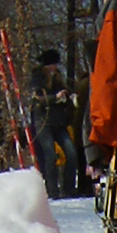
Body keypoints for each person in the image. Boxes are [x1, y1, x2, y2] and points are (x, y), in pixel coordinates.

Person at [29, 47, 78, 199]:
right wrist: (55, 98)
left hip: (59, 122)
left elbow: (65, 90)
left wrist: (69, 97)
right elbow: (37, 100)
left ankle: (68, 188)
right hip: (43, 122)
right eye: (53, 64)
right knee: (50, 155)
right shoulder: (37, 79)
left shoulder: (57, 78)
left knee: (71, 153)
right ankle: (52, 189)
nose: (55, 67)